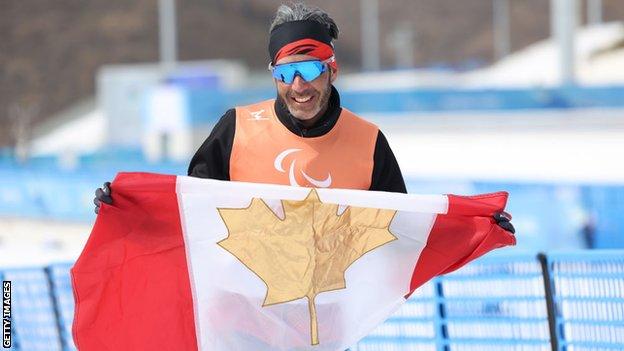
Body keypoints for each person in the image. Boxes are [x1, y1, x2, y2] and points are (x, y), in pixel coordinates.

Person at [94, 2, 514, 234]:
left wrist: (474, 225)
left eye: (310, 69)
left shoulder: (367, 141)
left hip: (328, 325)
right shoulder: (237, 128)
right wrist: (129, 207)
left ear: (332, 69)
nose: (299, 86)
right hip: (246, 319)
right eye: (285, 72)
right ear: (273, 75)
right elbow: (187, 210)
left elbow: (404, 230)